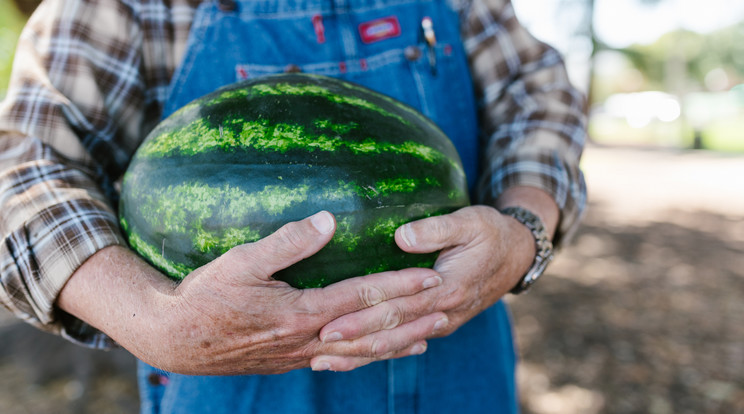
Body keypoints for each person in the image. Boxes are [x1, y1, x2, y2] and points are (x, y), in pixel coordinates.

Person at [0, 0, 587, 411]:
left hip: (461, 380)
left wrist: (521, 231)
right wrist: (153, 316)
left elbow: (537, 93)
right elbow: (21, 168)